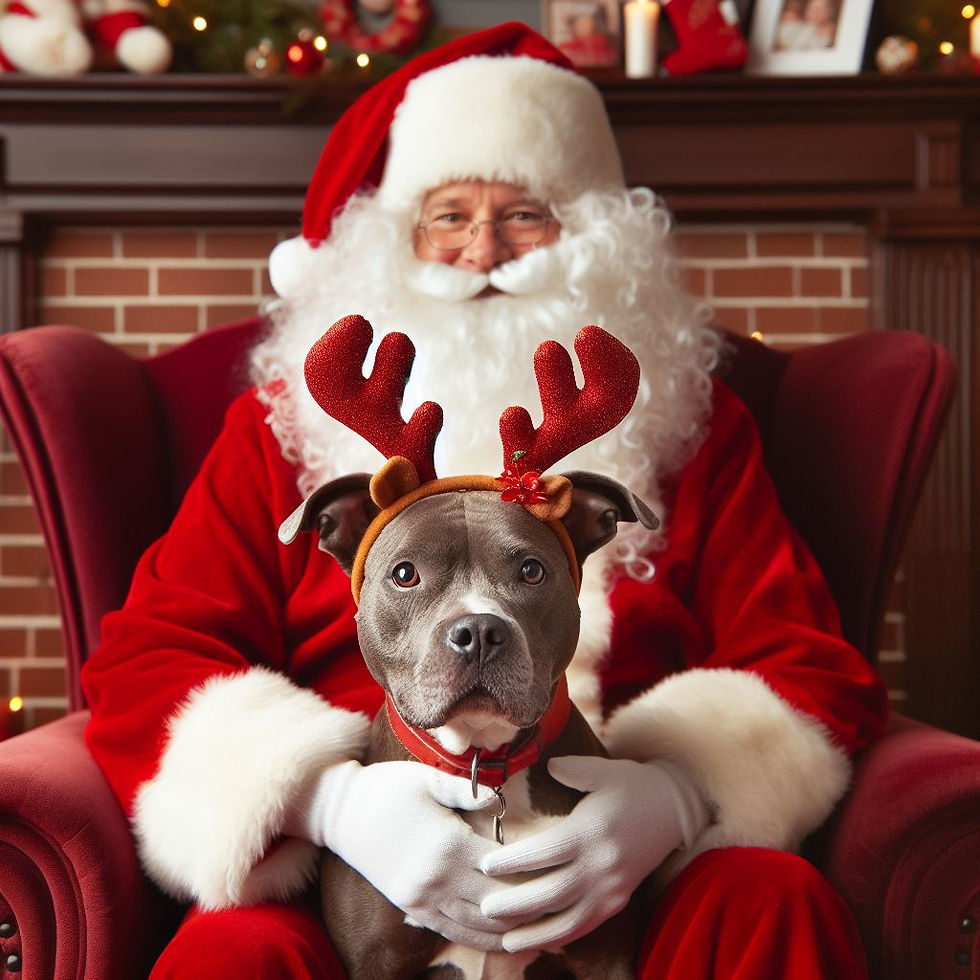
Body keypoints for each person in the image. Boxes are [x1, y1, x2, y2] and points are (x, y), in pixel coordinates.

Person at [80, 21, 887, 978]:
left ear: (594, 238)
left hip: (629, 871)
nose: (484, 254)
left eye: (525, 215)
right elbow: (149, 658)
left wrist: (675, 796)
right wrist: (324, 802)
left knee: (772, 901)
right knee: (231, 954)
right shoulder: (281, 430)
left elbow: (802, 656)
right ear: (394, 240)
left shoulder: (690, 428)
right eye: (448, 216)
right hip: (349, 871)